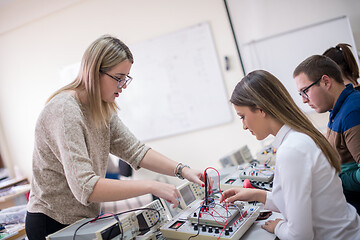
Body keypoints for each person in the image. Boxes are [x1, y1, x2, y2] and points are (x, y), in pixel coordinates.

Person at [25, 35, 206, 240]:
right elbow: (86, 187)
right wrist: (152, 186)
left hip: (82, 220)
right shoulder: (65, 110)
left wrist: (183, 170)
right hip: (52, 223)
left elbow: (135, 151)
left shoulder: (101, 109)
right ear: (95, 72)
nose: (124, 85)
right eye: (119, 78)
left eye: (126, 78)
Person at [220, 70, 360, 240]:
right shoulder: (298, 136)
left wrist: (278, 226)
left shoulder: (291, 151)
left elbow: (299, 236)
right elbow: (307, 200)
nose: (243, 126)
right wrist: (257, 195)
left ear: (260, 109)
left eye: (243, 117)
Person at [293, 55, 360, 214]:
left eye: (305, 91)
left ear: (326, 82)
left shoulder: (352, 112)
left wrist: (333, 180)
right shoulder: (338, 109)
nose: (303, 100)